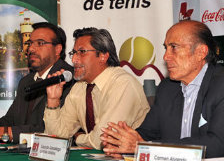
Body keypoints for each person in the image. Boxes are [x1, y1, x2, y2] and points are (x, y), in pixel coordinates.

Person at [101, 20, 224, 159]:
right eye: (166, 48)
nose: (166, 56)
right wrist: (122, 142)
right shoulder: (167, 88)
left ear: (201, 52)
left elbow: (218, 144)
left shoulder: (220, 85)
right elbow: (147, 133)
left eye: (174, 47)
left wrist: (145, 148)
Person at [44, 27, 149, 149]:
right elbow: (55, 138)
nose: (74, 59)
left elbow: (102, 139)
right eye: (73, 53)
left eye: (82, 52)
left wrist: (76, 138)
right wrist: (53, 100)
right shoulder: (80, 87)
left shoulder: (123, 83)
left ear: (103, 56)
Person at [0, 22, 74, 143]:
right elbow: (10, 120)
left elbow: (50, 129)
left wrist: (7, 133)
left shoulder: (68, 79)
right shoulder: (26, 81)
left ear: (57, 49)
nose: (31, 49)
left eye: (40, 43)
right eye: (30, 43)